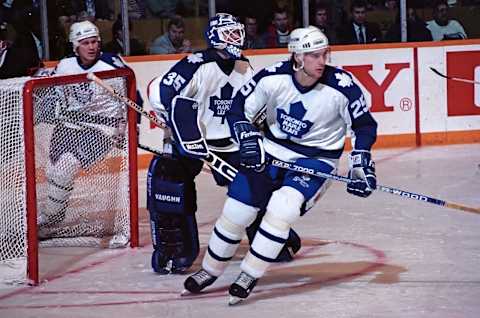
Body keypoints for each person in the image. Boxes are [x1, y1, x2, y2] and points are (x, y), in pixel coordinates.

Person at [182, 25, 378, 305]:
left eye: (324, 54)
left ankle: (249, 274)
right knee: (236, 210)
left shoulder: (343, 87)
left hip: (316, 158)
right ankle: (210, 270)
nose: (322, 61)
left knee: (282, 209)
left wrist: (361, 160)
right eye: (314, 56)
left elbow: (364, 126)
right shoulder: (272, 77)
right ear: (297, 57)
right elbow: (239, 108)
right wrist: (247, 135)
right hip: (272, 150)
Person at [146, 13, 301, 275]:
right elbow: (159, 92)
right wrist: (172, 122)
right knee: (168, 179)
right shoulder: (194, 64)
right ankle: (174, 250)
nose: (236, 38)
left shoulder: (244, 67)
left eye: (236, 32)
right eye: (228, 33)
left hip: (230, 144)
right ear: (214, 37)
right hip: (192, 140)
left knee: (258, 180)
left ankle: (270, 241)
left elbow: (253, 107)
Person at [37, 20, 139, 227]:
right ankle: (55, 215)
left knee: (66, 168)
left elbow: (132, 96)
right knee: (53, 173)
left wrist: (128, 126)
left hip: (102, 128)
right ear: (75, 46)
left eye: (94, 42)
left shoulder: (111, 64)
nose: (92, 47)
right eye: (85, 43)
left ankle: (49, 221)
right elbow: (52, 94)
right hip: (69, 126)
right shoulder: (65, 66)